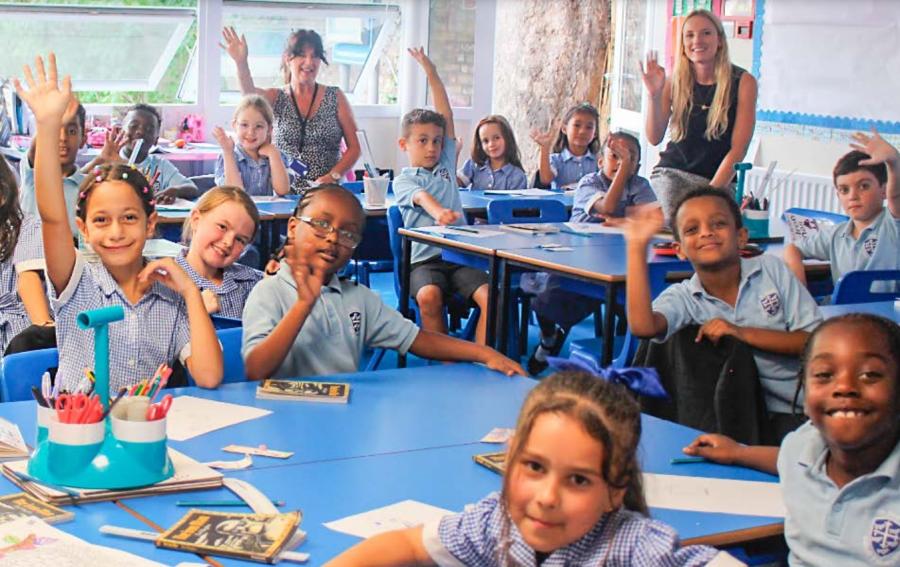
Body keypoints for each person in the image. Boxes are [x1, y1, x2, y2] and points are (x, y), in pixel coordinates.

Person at [325, 371, 737, 566]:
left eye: (578, 479)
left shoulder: (631, 548)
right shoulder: (497, 523)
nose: (546, 498)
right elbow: (410, 546)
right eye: (534, 467)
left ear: (615, 490)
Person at [17, 53, 222, 391]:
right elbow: (52, 217)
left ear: (150, 222)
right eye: (101, 220)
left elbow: (210, 376)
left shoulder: (171, 296)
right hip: (81, 433)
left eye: (129, 218)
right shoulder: (77, 278)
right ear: (83, 229)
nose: (116, 232)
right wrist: (48, 125)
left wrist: (189, 291)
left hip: (142, 435)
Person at [241, 184, 524, 380]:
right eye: (322, 224)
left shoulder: (358, 298)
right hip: (284, 420)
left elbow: (418, 339)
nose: (333, 238)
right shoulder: (269, 293)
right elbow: (256, 370)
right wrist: (304, 305)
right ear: (293, 227)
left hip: (342, 418)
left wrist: (484, 353)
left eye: (348, 234)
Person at [683, 314, 900, 566]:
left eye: (869, 374)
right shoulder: (805, 443)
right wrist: (739, 452)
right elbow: (787, 457)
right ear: (804, 393)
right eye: (824, 374)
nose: (844, 386)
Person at [624, 187, 822, 440]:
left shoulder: (771, 270)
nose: (706, 232)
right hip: (745, 417)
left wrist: (741, 333)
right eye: (692, 229)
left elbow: (815, 342)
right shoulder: (686, 297)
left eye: (718, 224)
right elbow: (643, 327)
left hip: (806, 409)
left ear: (741, 237)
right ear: (679, 249)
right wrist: (636, 248)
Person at [527, 132, 657, 375]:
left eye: (628, 159)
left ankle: (624, 356)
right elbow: (607, 206)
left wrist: (622, 218)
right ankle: (549, 338)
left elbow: (651, 217)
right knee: (544, 297)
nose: (620, 163)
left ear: (638, 166)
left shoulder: (640, 184)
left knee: (635, 300)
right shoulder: (590, 182)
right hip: (577, 260)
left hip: (618, 261)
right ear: (600, 162)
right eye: (615, 157)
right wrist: (625, 210)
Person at [393, 48, 491, 345]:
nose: (432, 147)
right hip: (423, 263)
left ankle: (484, 358)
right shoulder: (404, 180)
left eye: (436, 141)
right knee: (429, 296)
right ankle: (446, 362)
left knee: (491, 296)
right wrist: (439, 214)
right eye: (422, 141)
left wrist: (432, 73)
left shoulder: (446, 164)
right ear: (404, 144)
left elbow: (445, 113)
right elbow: (422, 198)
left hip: (459, 258)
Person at [641, 9, 757, 222]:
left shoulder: (743, 82)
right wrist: (654, 96)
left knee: (710, 229)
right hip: (673, 175)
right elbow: (654, 137)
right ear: (683, 44)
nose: (697, 40)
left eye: (706, 33)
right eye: (690, 35)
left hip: (717, 181)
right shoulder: (673, 80)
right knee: (677, 225)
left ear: (719, 40)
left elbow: (738, 149)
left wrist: (709, 194)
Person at [221, 26, 361, 192]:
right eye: (302, 55)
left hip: (327, 190)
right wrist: (241, 63)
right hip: (284, 189)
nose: (309, 62)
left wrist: (334, 176)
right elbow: (249, 96)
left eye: (315, 56)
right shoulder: (277, 96)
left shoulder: (335, 96)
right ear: (288, 58)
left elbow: (355, 147)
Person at [784, 130, 900, 288]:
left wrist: (894, 162)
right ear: (838, 195)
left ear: (884, 190)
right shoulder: (836, 234)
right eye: (844, 190)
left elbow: (896, 196)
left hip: (883, 312)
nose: (853, 196)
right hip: (841, 311)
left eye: (864, 186)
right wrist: (799, 289)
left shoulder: (892, 225)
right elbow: (793, 249)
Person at [83, 103, 199, 204]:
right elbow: (75, 184)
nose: (141, 132)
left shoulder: (160, 166)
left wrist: (175, 190)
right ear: (121, 131)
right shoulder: (108, 161)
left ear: (156, 139)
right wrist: (98, 160)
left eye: (149, 129)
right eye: (133, 126)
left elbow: (192, 188)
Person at [178, 186, 262, 318]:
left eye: (240, 240)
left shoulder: (254, 284)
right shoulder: (162, 283)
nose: (228, 242)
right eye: (222, 227)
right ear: (196, 220)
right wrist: (196, 314)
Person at [0, 157, 51, 354]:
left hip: (20, 336)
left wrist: (43, 328)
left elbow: (28, 279)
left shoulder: (26, 228)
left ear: (3, 194)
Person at [17, 99, 86, 236]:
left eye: (71, 131)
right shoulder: (33, 175)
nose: (63, 138)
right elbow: (34, 150)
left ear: (83, 139)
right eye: (54, 129)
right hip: (30, 256)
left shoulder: (87, 186)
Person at [212, 95, 292, 197]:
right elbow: (235, 194)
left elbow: (283, 190)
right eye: (244, 125)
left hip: (266, 213)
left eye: (259, 126)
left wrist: (274, 154)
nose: (251, 132)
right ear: (234, 126)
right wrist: (228, 152)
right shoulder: (229, 156)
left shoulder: (276, 155)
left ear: (269, 130)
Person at [530, 103, 600, 190]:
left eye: (589, 127)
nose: (582, 131)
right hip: (563, 203)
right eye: (577, 125)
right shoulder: (556, 160)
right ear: (564, 129)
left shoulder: (598, 161)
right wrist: (544, 148)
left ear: (595, 134)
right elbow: (545, 180)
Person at [456, 115, 527, 190]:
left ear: (507, 138)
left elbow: (516, 202)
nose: (491, 144)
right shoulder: (474, 165)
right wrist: (455, 154)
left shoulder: (517, 176)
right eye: (485, 141)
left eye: (496, 138)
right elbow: (451, 184)